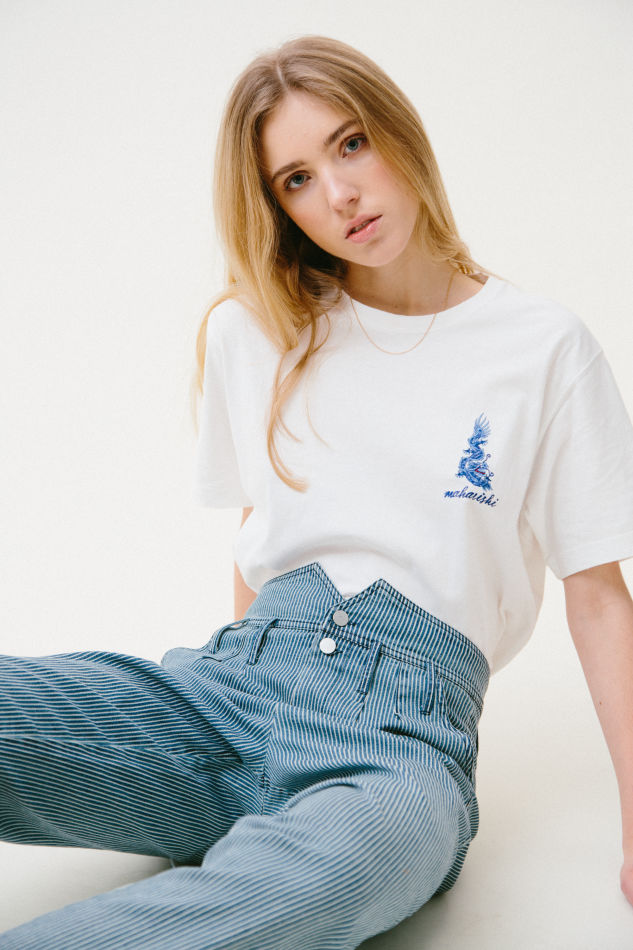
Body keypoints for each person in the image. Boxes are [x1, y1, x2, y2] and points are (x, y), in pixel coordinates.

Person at [1, 33, 633, 950]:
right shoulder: (259, 329)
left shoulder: (542, 348)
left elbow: (599, 598)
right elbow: (256, 535)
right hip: (228, 694)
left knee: (337, 871)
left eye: (350, 145)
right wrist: (240, 724)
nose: (338, 195)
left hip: (400, 749)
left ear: (399, 134)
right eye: (295, 179)